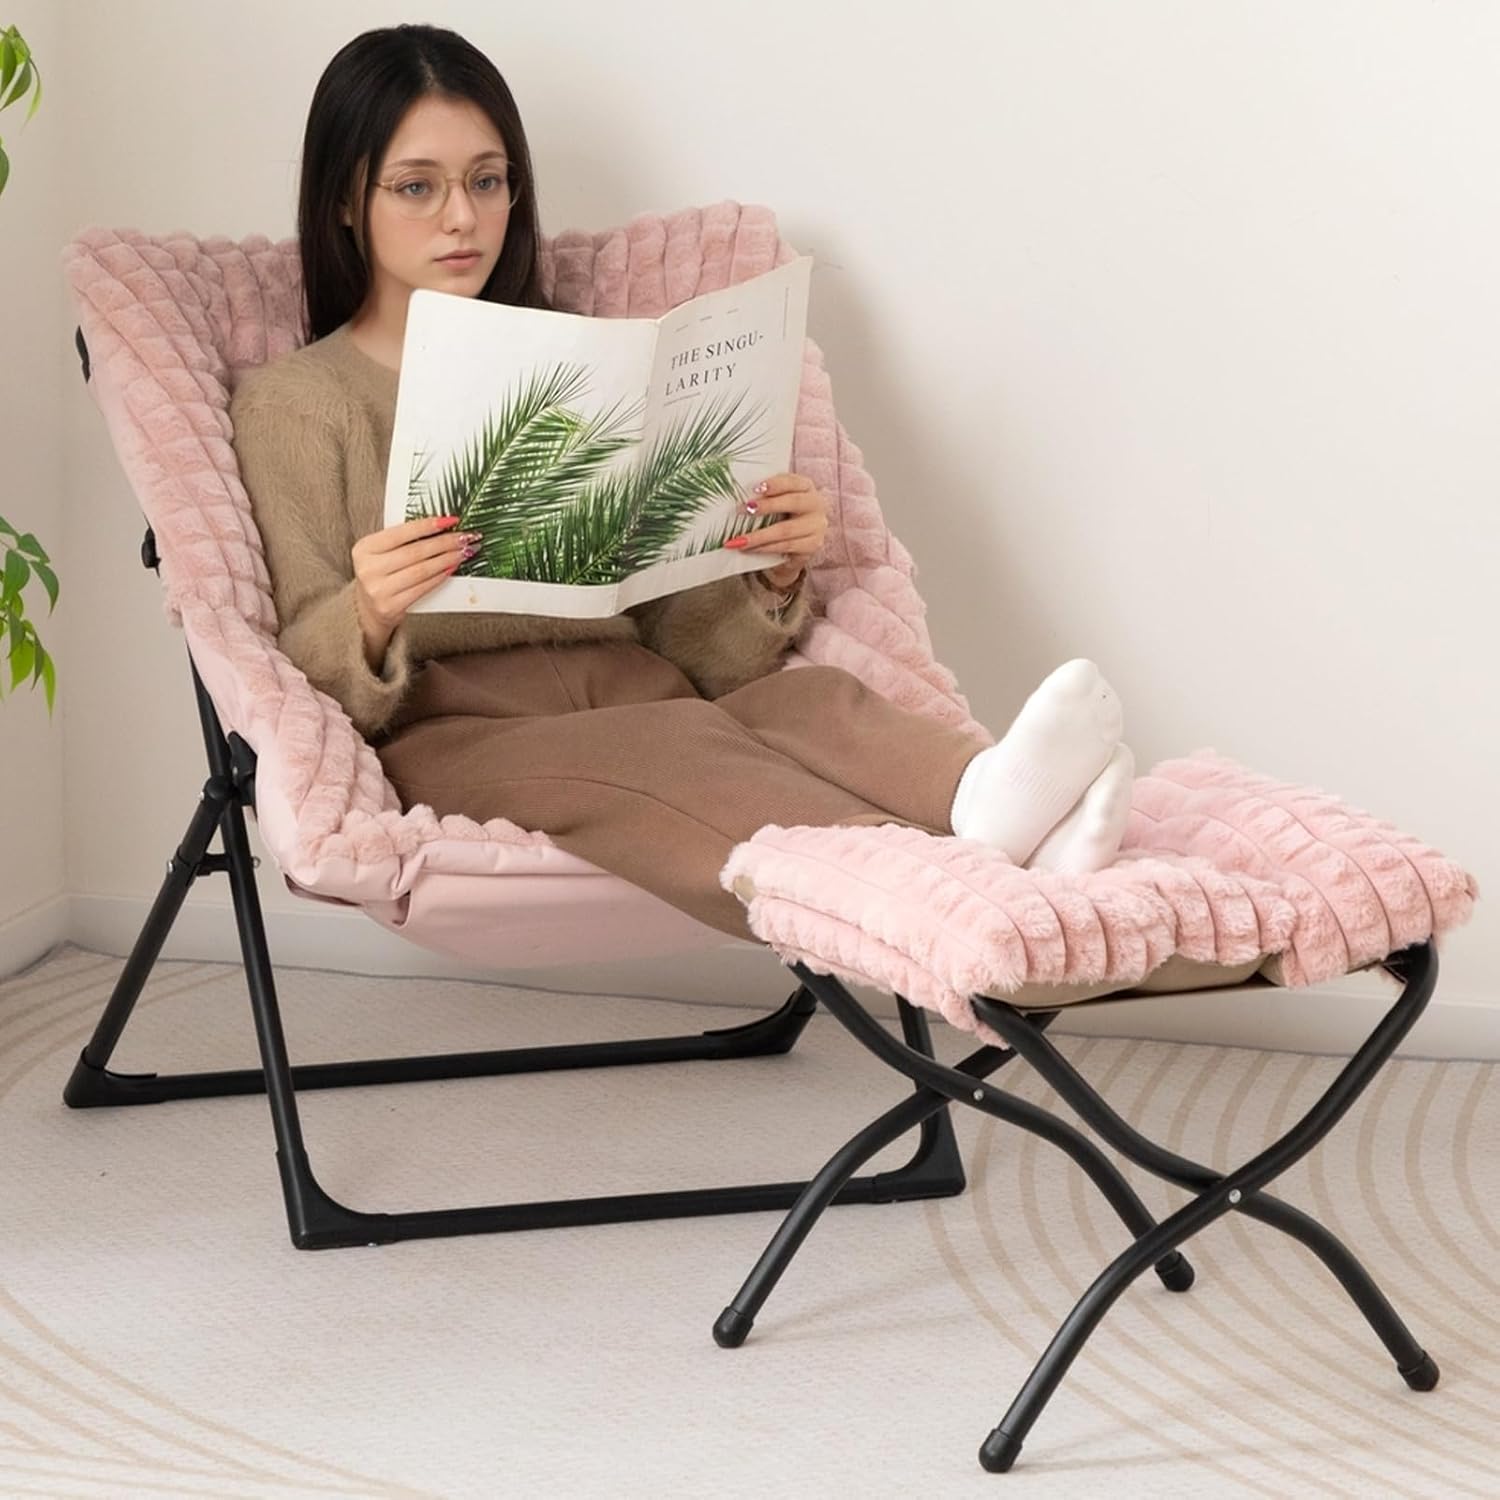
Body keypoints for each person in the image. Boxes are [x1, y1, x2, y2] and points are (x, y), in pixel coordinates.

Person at [230, 23, 1137, 941]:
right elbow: (291, 665)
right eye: (417, 186)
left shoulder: (582, 361)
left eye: (488, 180)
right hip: (459, 726)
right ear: (348, 199)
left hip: (640, 682)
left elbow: (690, 648)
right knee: (667, 747)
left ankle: (987, 797)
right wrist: (373, 611)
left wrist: (766, 575)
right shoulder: (296, 403)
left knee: (802, 700)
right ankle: (945, 886)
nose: (462, 217)